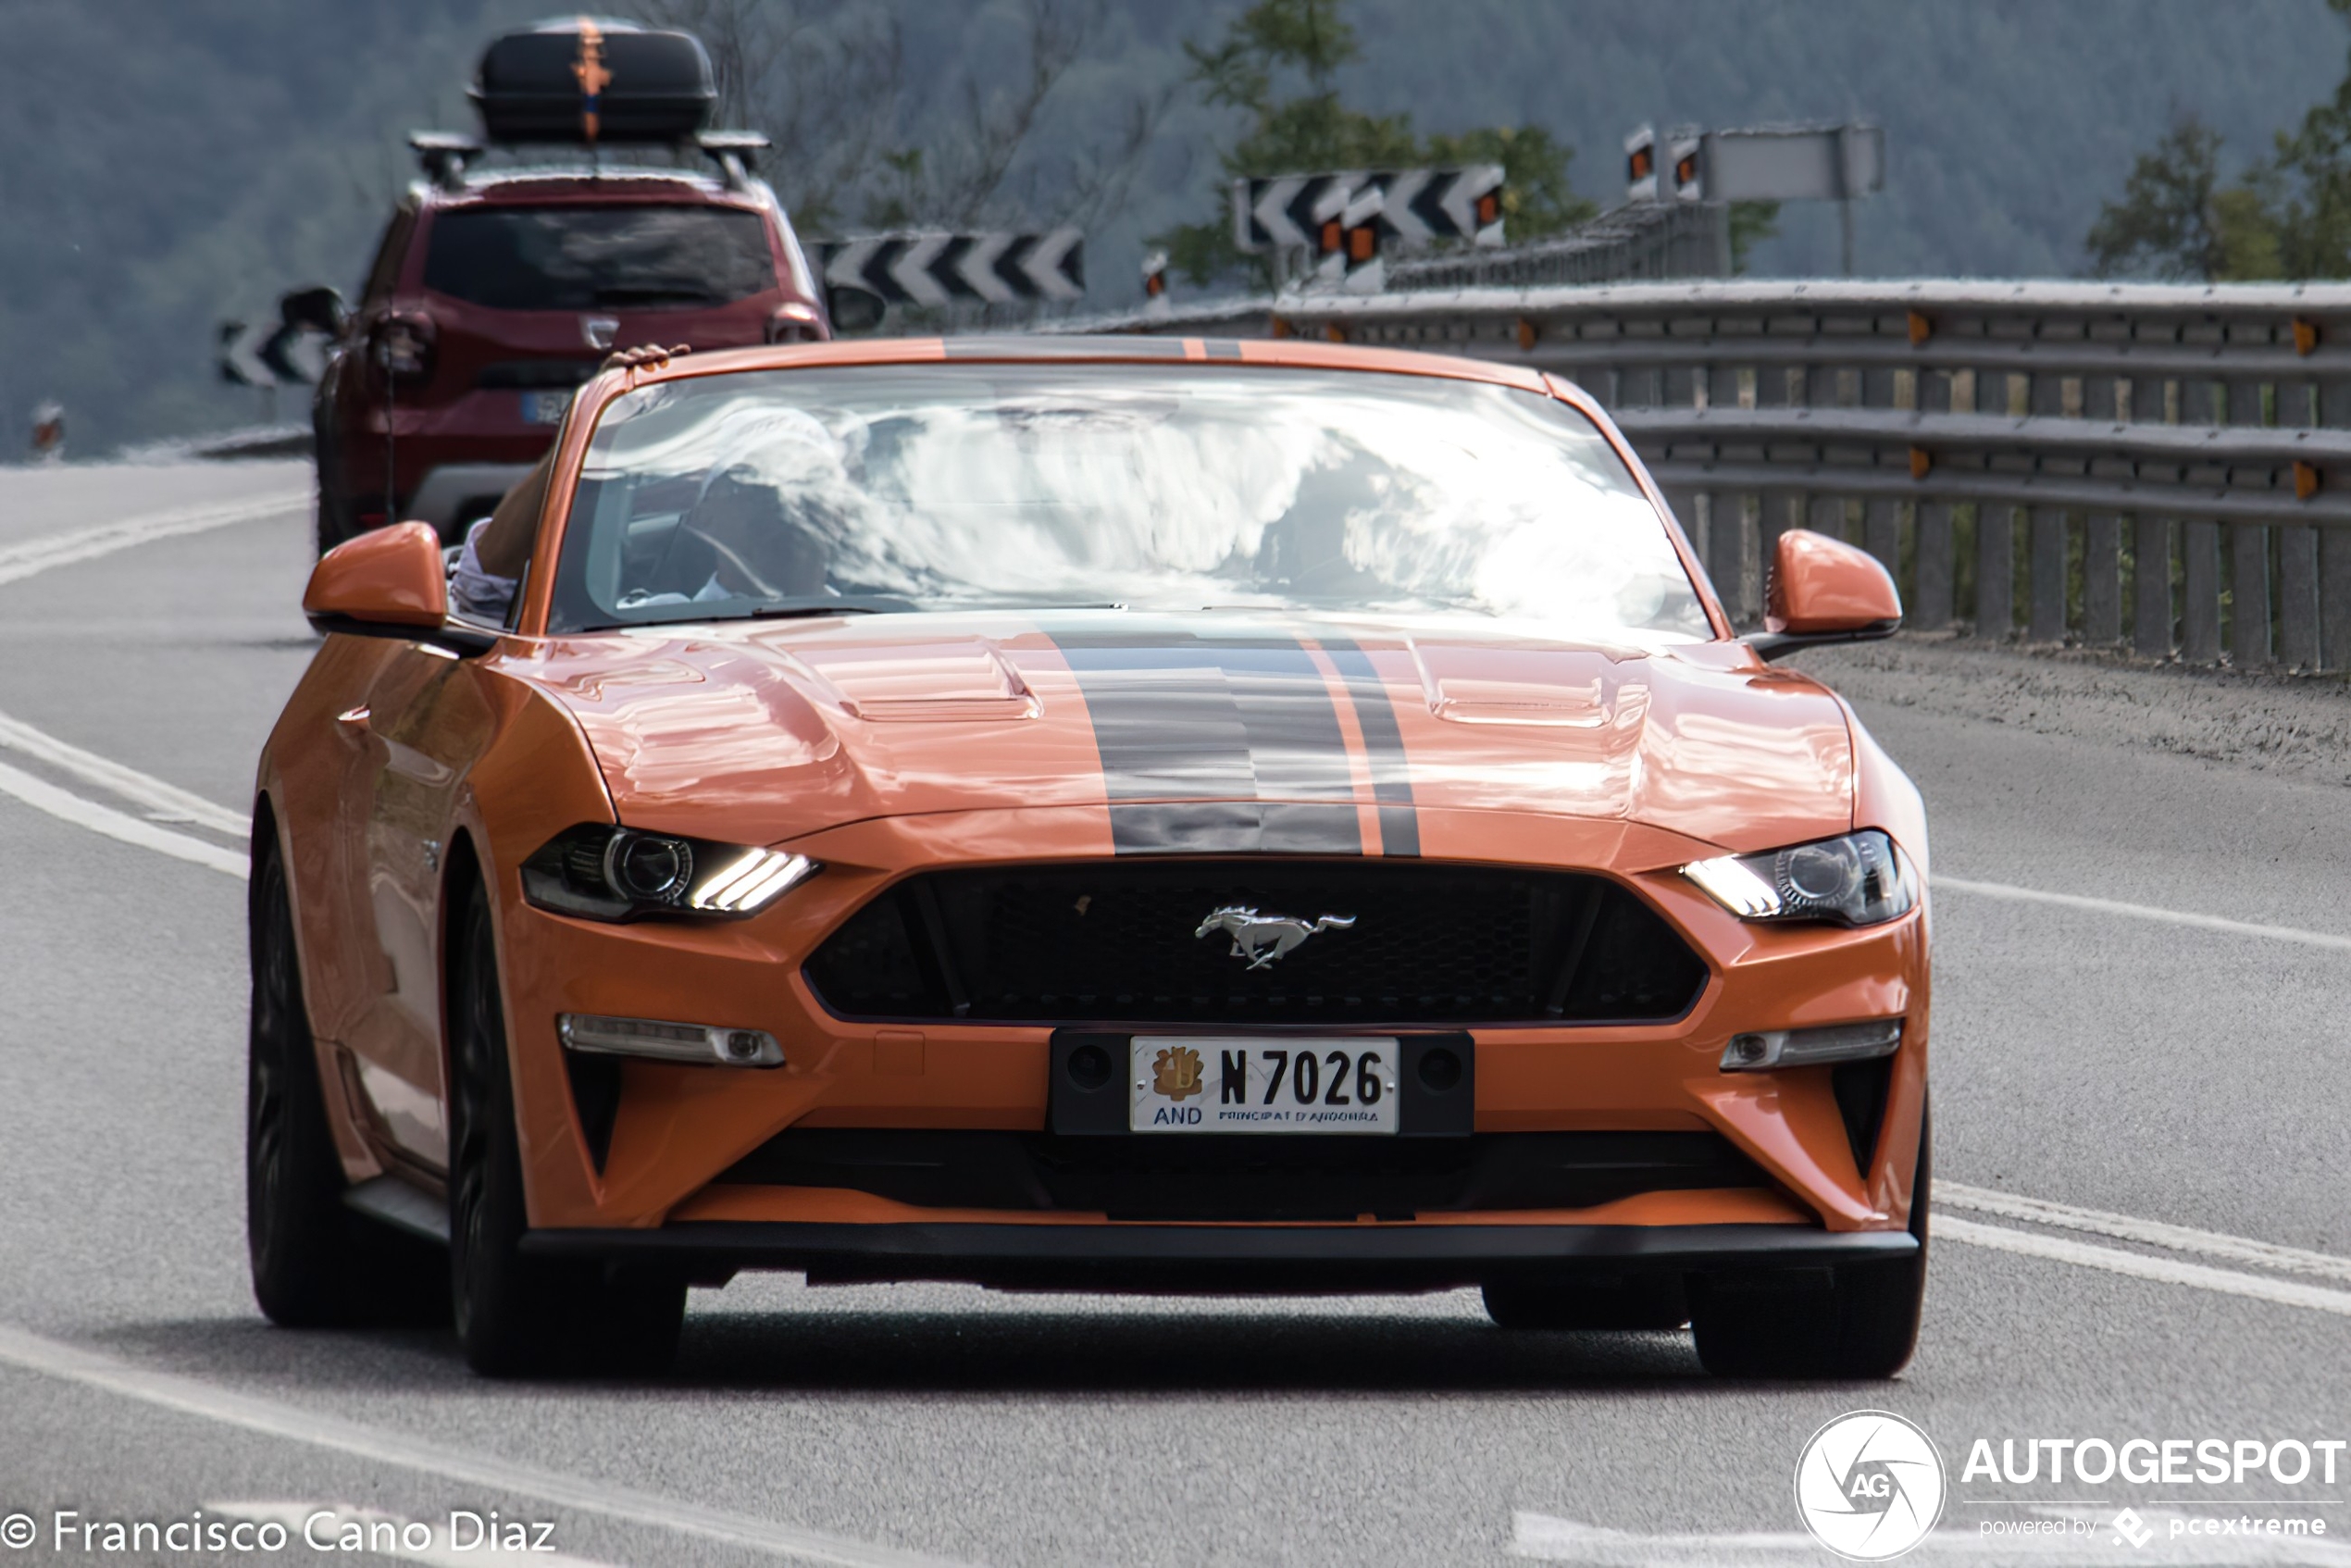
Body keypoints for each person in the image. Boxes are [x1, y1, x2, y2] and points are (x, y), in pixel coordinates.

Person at [449, 344, 684, 622]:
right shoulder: (655, 604)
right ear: (707, 511)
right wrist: (589, 426)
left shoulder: (694, 606)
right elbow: (484, 589)